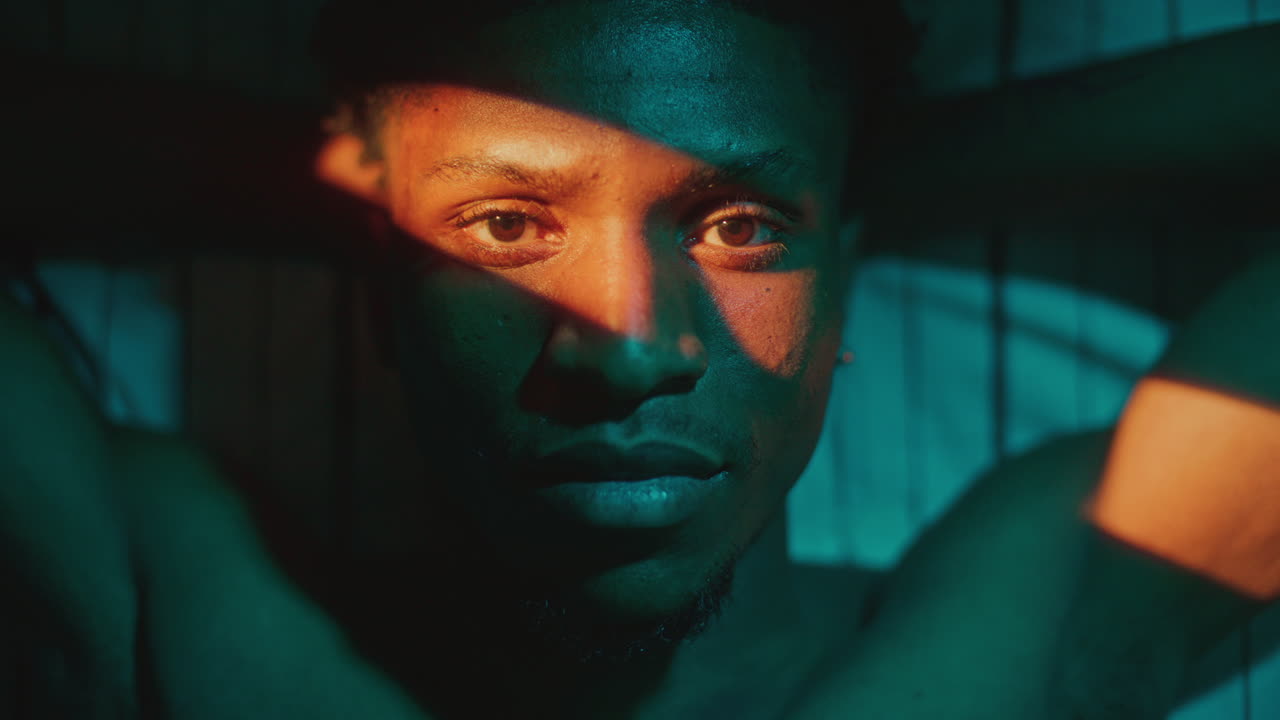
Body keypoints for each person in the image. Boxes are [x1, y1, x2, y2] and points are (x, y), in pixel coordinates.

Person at [1, 1, 1275, 718]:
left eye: (737, 231)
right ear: (382, 297)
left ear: (842, 300)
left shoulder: (1027, 631)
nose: (621, 358)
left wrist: (855, 165)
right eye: (507, 229)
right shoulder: (191, 624)